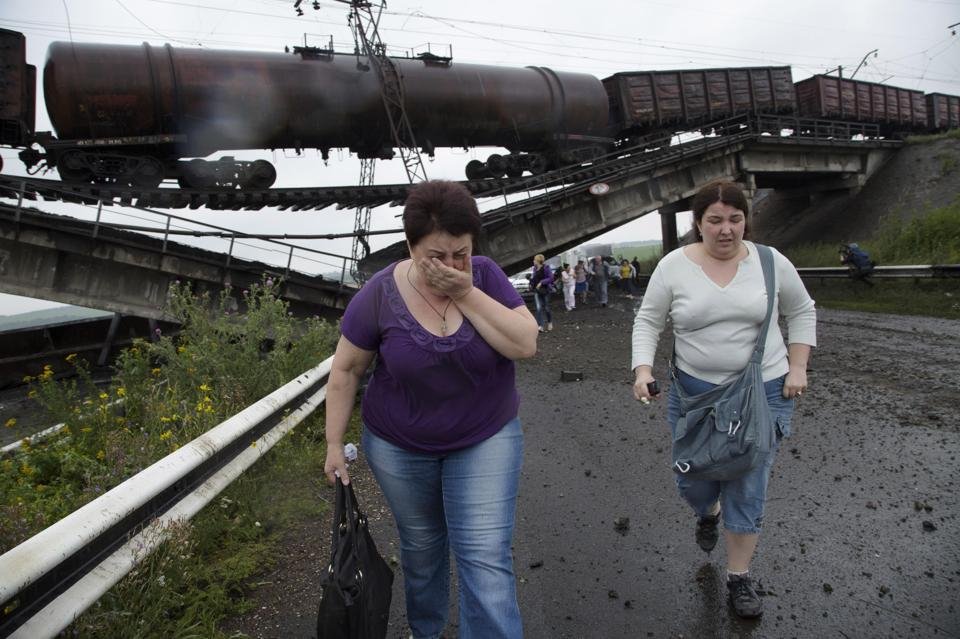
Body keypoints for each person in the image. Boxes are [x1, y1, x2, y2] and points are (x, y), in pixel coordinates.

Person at [324, 180, 539, 639]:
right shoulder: (379, 295)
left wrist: (465, 291)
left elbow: (525, 343)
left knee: (483, 554)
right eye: (436, 257)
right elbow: (345, 372)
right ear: (409, 246)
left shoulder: (485, 277)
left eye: (460, 253)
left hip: (485, 435)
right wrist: (333, 445)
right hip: (399, 446)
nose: (451, 265)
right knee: (421, 548)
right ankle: (428, 630)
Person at [630, 180, 816, 619]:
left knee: (748, 482)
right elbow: (648, 321)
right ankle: (707, 510)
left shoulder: (770, 262)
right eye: (715, 220)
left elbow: (802, 310)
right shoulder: (674, 266)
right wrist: (642, 370)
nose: (726, 229)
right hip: (695, 395)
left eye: (735, 219)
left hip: (762, 390)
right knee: (693, 480)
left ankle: (739, 576)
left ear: (745, 220)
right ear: (698, 224)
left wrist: (799, 365)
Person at [531, 253, 554, 332]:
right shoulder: (534, 269)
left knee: (547, 308)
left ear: (538, 261)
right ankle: (540, 325)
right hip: (537, 291)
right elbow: (534, 279)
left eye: (534, 260)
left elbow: (551, 278)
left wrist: (542, 282)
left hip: (546, 290)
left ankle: (550, 322)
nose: (533, 261)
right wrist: (531, 283)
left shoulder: (546, 268)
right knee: (538, 308)